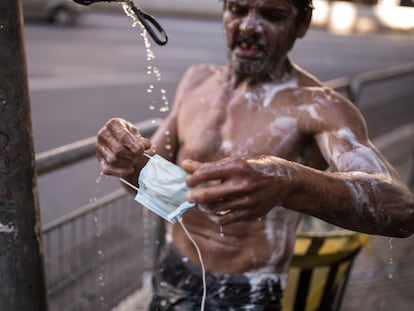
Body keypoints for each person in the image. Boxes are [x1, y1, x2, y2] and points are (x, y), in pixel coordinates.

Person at [96, 0, 414, 310]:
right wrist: (125, 161)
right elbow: (145, 183)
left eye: (271, 14)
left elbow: (400, 210)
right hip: (172, 273)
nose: (249, 25)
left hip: (248, 291)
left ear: (301, 24)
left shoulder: (320, 108)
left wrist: (291, 181)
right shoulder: (197, 80)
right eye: (237, 9)